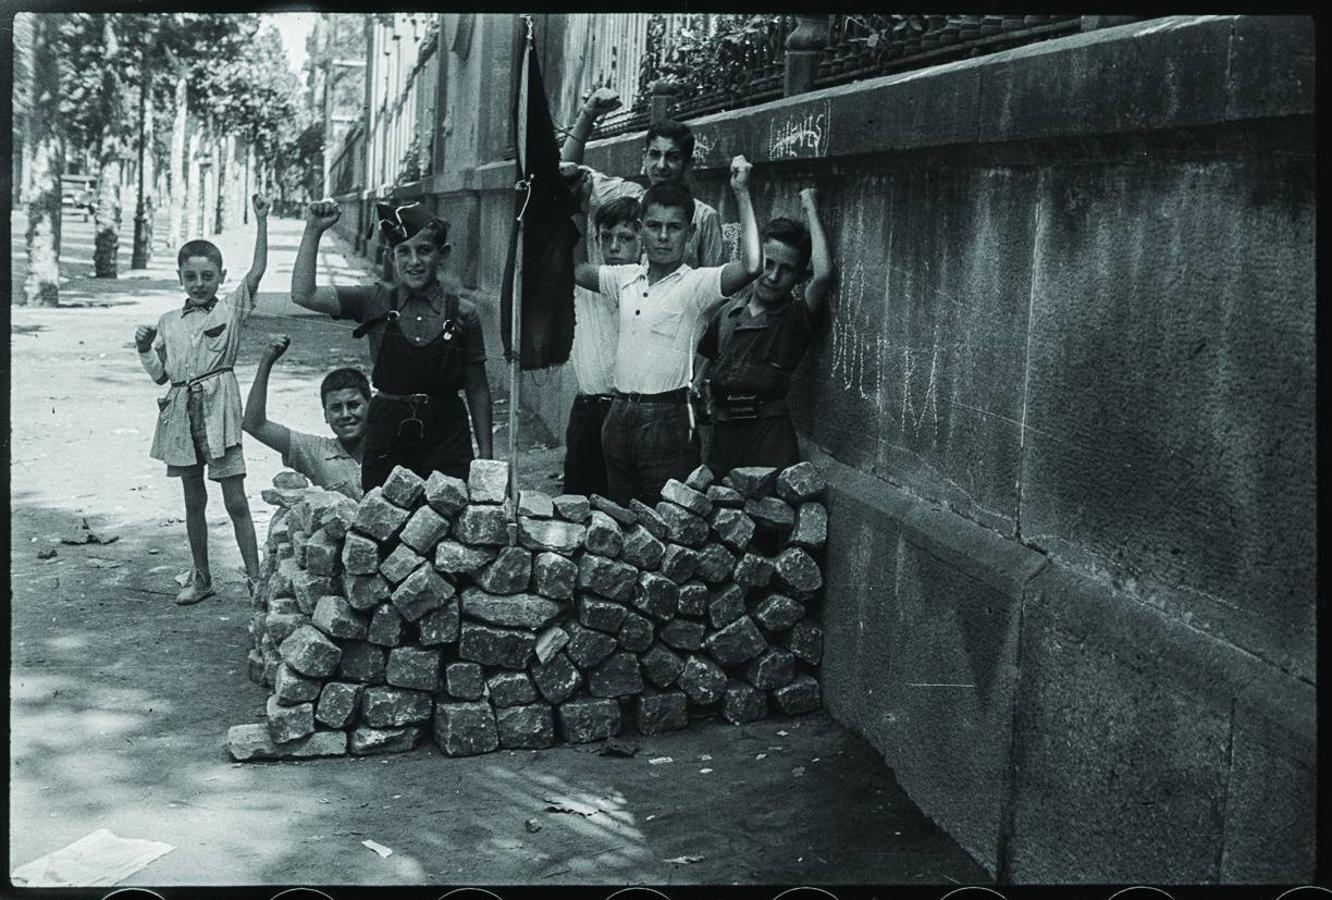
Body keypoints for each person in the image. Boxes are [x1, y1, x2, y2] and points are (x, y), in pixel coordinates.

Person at [572, 156, 761, 506]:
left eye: (673, 228)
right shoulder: (625, 278)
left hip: (667, 419)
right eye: (654, 226)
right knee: (621, 522)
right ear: (641, 229)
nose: (662, 237)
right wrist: (575, 205)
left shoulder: (696, 284)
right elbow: (580, 269)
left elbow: (752, 266)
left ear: (689, 233)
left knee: (667, 524)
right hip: (618, 415)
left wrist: (742, 192)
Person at [289, 200, 493, 489]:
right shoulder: (374, 300)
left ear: (442, 254)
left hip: (447, 433)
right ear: (390, 256)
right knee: (382, 523)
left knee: (451, 520)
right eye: (403, 252)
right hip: (388, 430)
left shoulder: (463, 312)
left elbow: (477, 387)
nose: (414, 261)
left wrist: (487, 460)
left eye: (424, 250)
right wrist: (313, 230)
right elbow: (303, 294)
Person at [134, 194, 270, 605]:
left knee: (235, 500)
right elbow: (161, 376)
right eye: (190, 277)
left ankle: (255, 580)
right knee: (194, 501)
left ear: (221, 276)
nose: (199, 284)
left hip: (219, 412)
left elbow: (259, 270)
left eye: (207, 276)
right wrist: (144, 349)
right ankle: (202, 577)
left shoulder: (230, 311)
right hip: (180, 416)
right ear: (180, 278)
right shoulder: (168, 322)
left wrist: (261, 219)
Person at [696, 188, 834, 474]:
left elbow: (822, 276)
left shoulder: (796, 316)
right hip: (723, 435)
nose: (773, 276)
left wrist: (810, 206)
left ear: (797, 277)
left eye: (786, 270)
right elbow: (709, 358)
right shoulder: (727, 313)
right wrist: (699, 382)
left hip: (769, 436)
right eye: (768, 264)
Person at [561, 88, 726, 270]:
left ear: (689, 164)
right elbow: (568, 173)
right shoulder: (625, 196)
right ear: (644, 157)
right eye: (655, 155)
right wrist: (588, 114)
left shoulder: (704, 217)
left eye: (672, 157)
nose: (661, 165)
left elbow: (716, 285)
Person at [562, 195, 642, 497]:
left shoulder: (643, 283)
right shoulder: (585, 284)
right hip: (587, 411)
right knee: (579, 502)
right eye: (606, 238)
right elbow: (570, 254)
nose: (613, 247)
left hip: (628, 411)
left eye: (625, 238)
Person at [242, 334, 368, 500]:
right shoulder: (316, 452)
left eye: (353, 405)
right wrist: (266, 362)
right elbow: (254, 425)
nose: (345, 415)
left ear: (370, 407)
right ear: (325, 415)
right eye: (336, 408)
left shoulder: (392, 447)